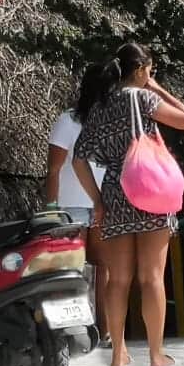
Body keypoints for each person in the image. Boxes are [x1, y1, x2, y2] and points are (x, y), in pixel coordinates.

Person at [72, 43, 184, 366]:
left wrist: (97, 200)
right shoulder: (142, 97)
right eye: (150, 70)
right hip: (150, 189)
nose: (150, 76)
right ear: (141, 70)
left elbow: (78, 158)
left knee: (118, 280)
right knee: (152, 277)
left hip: (115, 192)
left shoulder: (101, 105)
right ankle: (156, 356)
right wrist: (155, 87)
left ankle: (118, 355)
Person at [46, 63, 108, 343]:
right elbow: (54, 169)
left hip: (102, 205)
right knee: (72, 270)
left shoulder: (109, 121)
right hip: (71, 208)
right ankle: (72, 332)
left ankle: (104, 331)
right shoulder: (68, 121)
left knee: (104, 270)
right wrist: (51, 210)